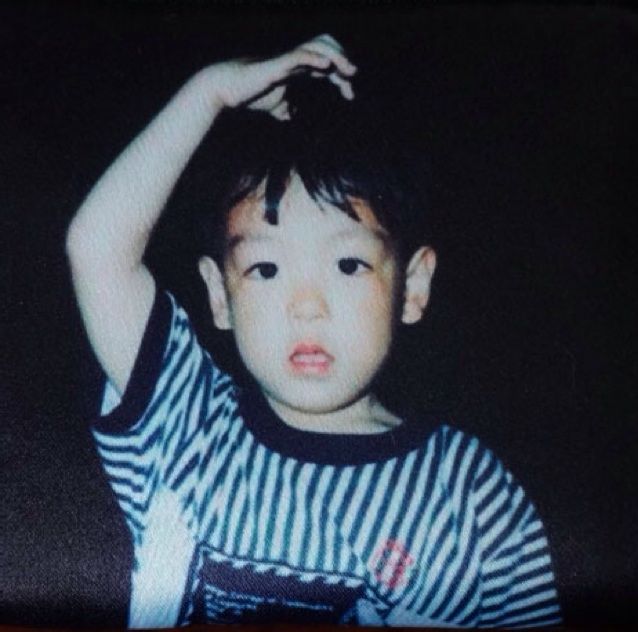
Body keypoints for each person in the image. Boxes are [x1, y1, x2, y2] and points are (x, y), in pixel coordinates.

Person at [66, 35, 561, 628]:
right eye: (265, 269)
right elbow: (97, 249)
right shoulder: (188, 423)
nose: (306, 306)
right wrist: (210, 93)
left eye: (348, 264)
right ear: (220, 295)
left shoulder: (472, 495)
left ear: (412, 286)